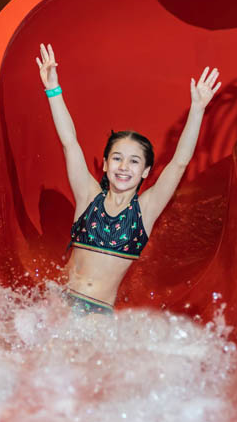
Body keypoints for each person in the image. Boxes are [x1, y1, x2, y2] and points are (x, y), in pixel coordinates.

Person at [36, 43, 221, 315]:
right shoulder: (88, 197)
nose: (124, 166)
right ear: (106, 164)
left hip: (97, 314)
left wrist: (197, 109)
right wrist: (53, 89)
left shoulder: (144, 211)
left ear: (146, 171)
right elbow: (70, 143)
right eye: (117, 158)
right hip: (59, 303)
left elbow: (179, 163)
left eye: (134, 161)